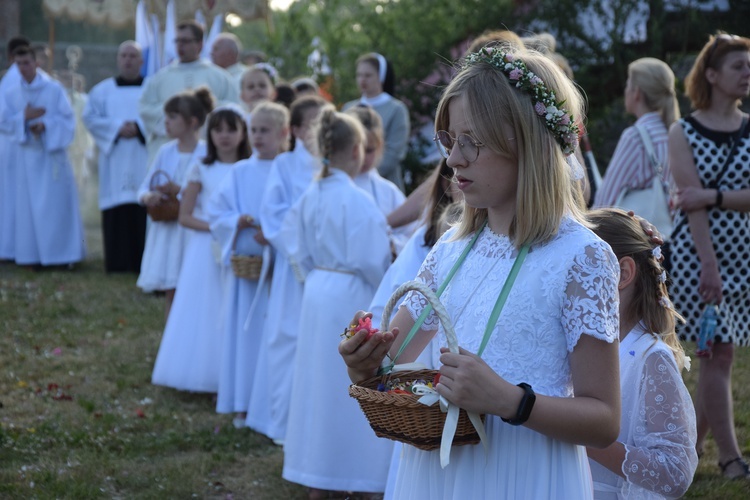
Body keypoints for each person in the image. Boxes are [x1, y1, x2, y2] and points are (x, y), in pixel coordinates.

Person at [340, 47, 621, 499]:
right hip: (439, 471)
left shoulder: (580, 256)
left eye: (472, 141)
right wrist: (363, 365)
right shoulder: (449, 252)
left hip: (523, 473)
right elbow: (388, 368)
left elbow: (604, 420)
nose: (453, 160)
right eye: (449, 140)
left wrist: (512, 401)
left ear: (525, 142)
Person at [281, 108, 393, 499]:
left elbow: (295, 246)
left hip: (317, 292)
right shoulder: (356, 201)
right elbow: (374, 261)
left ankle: (318, 473)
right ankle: (355, 476)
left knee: (318, 385)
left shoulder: (311, 194)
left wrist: (314, 277)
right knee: (345, 385)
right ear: (357, 150)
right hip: (349, 294)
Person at [668, 32, 750, 480]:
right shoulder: (683, 131)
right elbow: (688, 203)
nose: (748, 73)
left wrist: (714, 194)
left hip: (743, 258)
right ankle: (731, 459)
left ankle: (691, 447)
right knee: (715, 356)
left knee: (722, 357)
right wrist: (709, 264)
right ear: (712, 75)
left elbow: (704, 196)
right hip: (700, 259)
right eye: (739, 65)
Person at [586, 208, 698, 499]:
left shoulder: (650, 358)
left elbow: (674, 472)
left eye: (579, 271)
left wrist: (577, 434)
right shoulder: (582, 347)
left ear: (622, 274)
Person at [244, 94, 332, 441]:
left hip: (326, 265)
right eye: (310, 123)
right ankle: (280, 421)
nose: (317, 129)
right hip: (294, 265)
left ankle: (316, 422)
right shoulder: (284, 165)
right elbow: (273, 215)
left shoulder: (332, 164)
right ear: (294, 129)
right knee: (287, 337)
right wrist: (301, 250)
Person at [151, 104, 249, 393]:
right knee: (204, 309)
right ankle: (200, 373)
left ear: (243, 133)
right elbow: (185, 216)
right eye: (218, 130)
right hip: (206, 248)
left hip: (239, 247)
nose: (224, 136)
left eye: (232, 129)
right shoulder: (201, 167)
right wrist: (221, 227)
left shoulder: (247, 168)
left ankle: (233, 375)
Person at [207, 101, 289, 427]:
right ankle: (241, 401)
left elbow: (294, 214)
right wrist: (236, 220)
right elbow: (217, 211)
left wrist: (274, 234)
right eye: (253, 130)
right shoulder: (240, 171)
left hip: (277, 269)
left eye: (264, 131)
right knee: (245, 333)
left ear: (283, 133)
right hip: (247, 269)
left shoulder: (288, 169)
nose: (256, 137)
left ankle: (269, 405)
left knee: (273, 331)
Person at [0, 46, 86, 268]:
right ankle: (31, 256)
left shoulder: (53, 89)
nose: (23, 68)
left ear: (36, 63)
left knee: (54, 207)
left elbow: (68, 120)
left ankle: (60, 256)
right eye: (19, 64)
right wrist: (24, 118)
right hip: (25, 159)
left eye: (27, 63)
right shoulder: (10, 93)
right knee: (27, 210)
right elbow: (4, 123)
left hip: (50, 157)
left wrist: (44, 124)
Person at [136, 88, 212, 319]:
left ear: (192, 122)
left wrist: (178, 191)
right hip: (168, 231)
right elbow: (143, 188)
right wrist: (151, 197)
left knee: (194, 288)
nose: (166, 123)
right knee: (172, 289)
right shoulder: (165, 151)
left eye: (172, 117)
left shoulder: (207, 153)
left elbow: (209, 194)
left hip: (191, 231)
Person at [82, 41, 149, 273]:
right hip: (115, 158)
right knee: (117, 208)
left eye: (133, 56)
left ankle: (143, 263)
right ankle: (118, 264)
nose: (128, 60)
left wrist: (140, 129)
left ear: (142, 61)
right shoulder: (102, 90)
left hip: (144, 157)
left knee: (143, 208)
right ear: (118, 59)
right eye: (124, 55)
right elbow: (89, 118)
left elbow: (163, 115)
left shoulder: (152, 88)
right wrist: (116, 128)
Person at [138, 19, 239, 164]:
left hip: (208, 153)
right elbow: (145, 109)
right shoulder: (160, 78)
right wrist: (176, 116)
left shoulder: (219, 77)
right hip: (169, 154)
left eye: (185, 41)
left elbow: (234, 109)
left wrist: (204, 110)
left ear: (199, 44)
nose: (180, 45)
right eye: (177, 41)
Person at [594, 58, 679, 210]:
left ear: (637, 93)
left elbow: (605, 201)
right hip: (669, 230)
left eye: (627, 85)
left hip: (637, 232)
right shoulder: (676, 135)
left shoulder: (635, 138)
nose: (625, 90)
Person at [346, 105, 416, 253]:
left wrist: (392, 245)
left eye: (369, 150)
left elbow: (412, 235)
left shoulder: (388, 191)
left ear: (380, 146)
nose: (362, 156)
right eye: (357, 148)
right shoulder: (333, 186)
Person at [343, 53, 410, 192]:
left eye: (368, 75)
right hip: (350, 183)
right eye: (359, 75)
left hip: (384, 185)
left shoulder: (396, 109)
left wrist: (363, 172)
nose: (362, 80)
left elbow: (393, 153)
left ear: (381, 76)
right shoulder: (348, 108)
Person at [0, 35, 32, 261]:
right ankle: (9, 247)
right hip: (12, 144)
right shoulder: (11, 81)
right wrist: (25, 117)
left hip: (19, 143)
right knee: (10, 196)